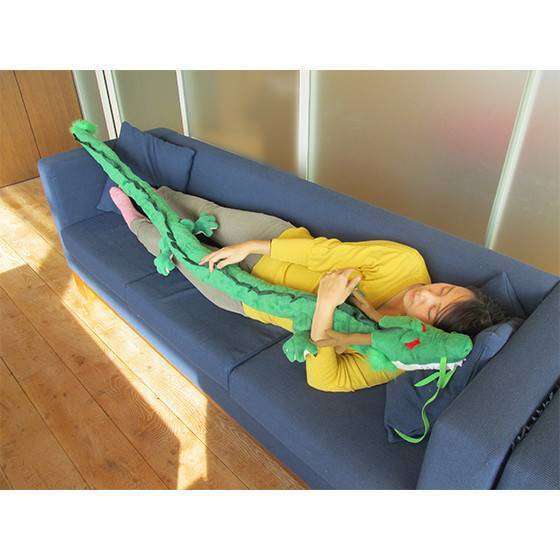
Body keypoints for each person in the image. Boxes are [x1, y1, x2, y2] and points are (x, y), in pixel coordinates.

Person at [109, 185, 508, 392]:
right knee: (206, 214)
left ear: (428, 332)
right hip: (278, 244)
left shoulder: (391, 356)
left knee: (180, 253)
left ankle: (134, 221)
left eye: (432, 309)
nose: (425, 293)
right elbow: (324, 253)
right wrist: (251, 246)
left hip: (253, 300)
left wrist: (325, 309)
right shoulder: (406, 263)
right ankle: (153, 194)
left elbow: (327, 380)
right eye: (444, 289)